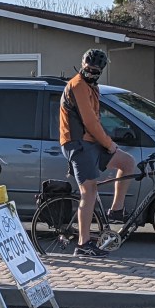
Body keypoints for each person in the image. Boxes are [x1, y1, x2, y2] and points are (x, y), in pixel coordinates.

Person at [59, 48, 136, 257]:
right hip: (77, 144)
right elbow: (90, 122)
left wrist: (107, 145)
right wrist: (109, 144)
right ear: (82, 65)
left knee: (128, 163)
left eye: (96, 71)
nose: (91, 73)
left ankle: (116, 211)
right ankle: (83, 245)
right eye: (88, 69)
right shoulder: (77, 85)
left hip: (93, 143)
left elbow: (97, 121)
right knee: (89, 192)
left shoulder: (93, 87)